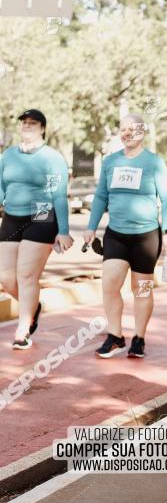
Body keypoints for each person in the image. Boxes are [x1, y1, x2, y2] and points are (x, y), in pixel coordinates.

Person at [83, 114, 167, 359]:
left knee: (142, 289)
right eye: (123, 129)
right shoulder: (110, 161)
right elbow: (101, 196)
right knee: (109, 284)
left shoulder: (154, 162)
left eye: (132, 129)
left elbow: (166, 199)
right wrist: (91, 226)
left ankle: (139, 338)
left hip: (146, 236)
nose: (127, 133)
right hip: (116, 234)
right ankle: (115, 337)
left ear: (142, 132)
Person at [0, 109, 73, 349]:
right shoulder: (8, 155)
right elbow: (1, 186)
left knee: (26, 275)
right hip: (11, 215)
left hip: (41, 213)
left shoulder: (52, 158)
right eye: (24, 123)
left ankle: (23, 330)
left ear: (42, 128)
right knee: (7, 278)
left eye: (33, 123)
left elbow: (59, 196)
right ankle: (33, 306)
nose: (27, 126)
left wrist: (63, 230)